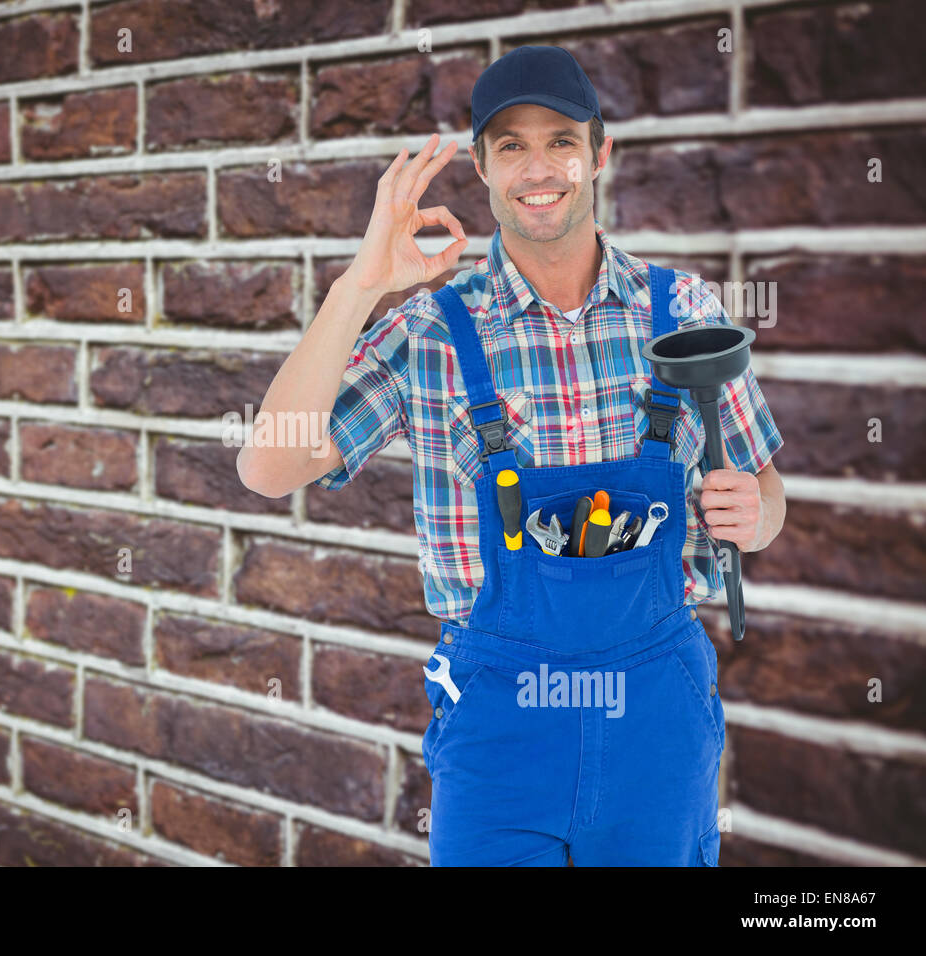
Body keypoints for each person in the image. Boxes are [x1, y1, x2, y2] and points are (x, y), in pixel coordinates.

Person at [237, 45, 786, 866]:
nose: (540, 166)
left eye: (561, 140)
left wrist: (755, 511)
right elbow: (268, 466)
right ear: (484, 169)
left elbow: (767, 500)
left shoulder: (684, 312)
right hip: (501, 728)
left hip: (656, 723)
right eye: (511, 145)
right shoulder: (430, 331)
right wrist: (360, 284)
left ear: (599, 154)